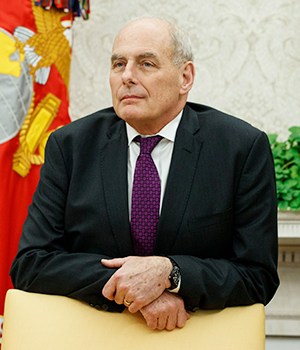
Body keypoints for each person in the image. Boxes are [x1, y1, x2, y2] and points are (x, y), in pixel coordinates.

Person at [10, 17, 279, 331]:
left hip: (193, 337)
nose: (127, 76)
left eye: (146, 64)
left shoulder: (240, 148)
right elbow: (31, 263)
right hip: (93, 335)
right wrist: (134, 286)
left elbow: (257, 275)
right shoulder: (70, 146)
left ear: (185, 77)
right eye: (118, 64)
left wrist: (172, 274)